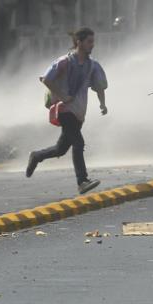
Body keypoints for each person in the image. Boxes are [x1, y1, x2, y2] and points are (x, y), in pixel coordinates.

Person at [26, 28, 108, 194]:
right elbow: (46, 79)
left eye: (93, 41)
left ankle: (36, 156)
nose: (92, 45)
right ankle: (82, 181)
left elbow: (99, 86)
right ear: (79, 42)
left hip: (78, 113)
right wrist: (63, 96)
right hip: (64, 110)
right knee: (79, 143)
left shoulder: (93, 65)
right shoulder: (65, 61)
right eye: (89, 41)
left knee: (60, 149)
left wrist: (102, 104)